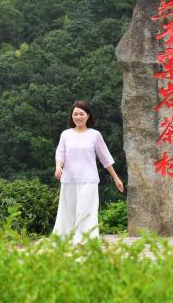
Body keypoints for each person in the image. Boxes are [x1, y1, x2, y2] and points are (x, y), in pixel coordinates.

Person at [53, 100, 124, 243]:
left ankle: (84, 242)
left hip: (89, 180)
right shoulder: (66, 134)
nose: (78, 117)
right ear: (71, 116)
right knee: (68, 213)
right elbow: (60, 154)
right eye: (75, 114)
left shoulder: (94, 135)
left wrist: (116, 178)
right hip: (69, 180)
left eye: (81, 114)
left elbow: (106, 158)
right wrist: (58, 167)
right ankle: (65, 241)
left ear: (88, 116)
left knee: (86, 213)